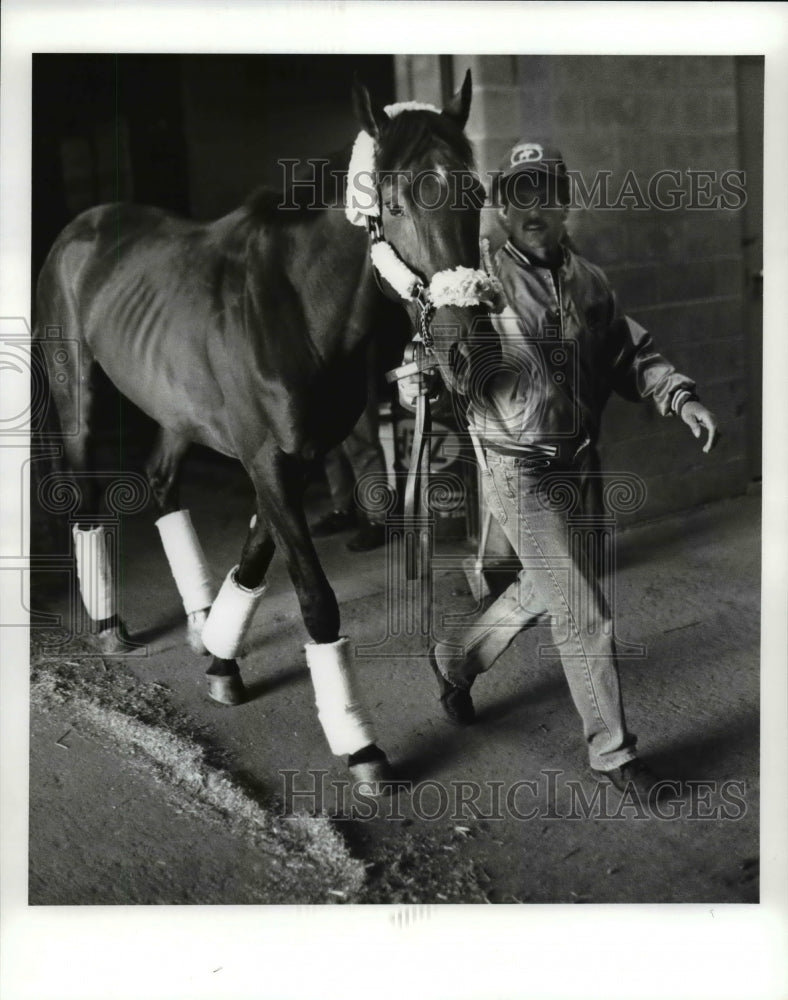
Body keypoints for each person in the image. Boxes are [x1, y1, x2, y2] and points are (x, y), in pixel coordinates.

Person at [425, 139, 719, 798]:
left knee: (552, 590)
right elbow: (456, 374)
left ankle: (455, 658)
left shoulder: (589, 281)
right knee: (583, 610)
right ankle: (615, 756)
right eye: (520, 193)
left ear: (566, 204)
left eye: (548, 192)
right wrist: (448, 335)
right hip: (514, 468)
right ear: (500, 205)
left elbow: (629, 353)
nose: (535, 207)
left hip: (577, 465)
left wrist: (680, 394)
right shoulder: (474, 284)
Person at [310, 388, 388, 553]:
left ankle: (379, 521)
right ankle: (344, 511)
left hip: (350, 370)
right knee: (331, 445)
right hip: (318, 373)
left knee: (362, 445)